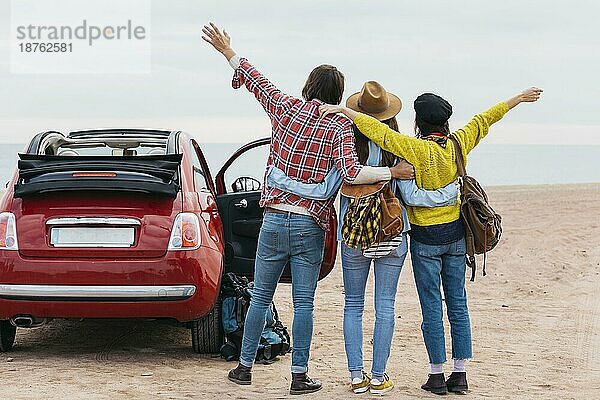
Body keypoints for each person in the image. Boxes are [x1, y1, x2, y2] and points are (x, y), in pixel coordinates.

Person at [201, 23, 412, 395]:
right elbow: (351, 172)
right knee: (303, 305)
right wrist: (392, 171)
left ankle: (244, 368)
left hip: (272, 221)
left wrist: (227, 50)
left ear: (307, 86)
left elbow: (253, 78)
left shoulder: (284, 108)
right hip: (309, 225)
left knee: (261, 297)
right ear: (338, 95)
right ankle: (299, 375)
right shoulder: (338, 125)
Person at [318, 87, 543, 395]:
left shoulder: (413, 148)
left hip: (425, 241)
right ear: (446, 122)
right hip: (455, 238)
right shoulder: (458, 143)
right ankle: (460, 373)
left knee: (431, 307)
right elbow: (485, 119)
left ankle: (436, 375)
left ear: (418, 123)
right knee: (458, 304)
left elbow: (378, 132)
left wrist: (346, 112)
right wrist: (516, 99)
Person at [266, 81, 459, 395]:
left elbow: (332, 184)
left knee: (353, 305)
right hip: (392, 234)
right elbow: (410, 194)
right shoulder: (399, 146)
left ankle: (357, 376)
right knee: (385, 305)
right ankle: (379, 376)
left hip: (354, 234)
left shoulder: (345, 141)